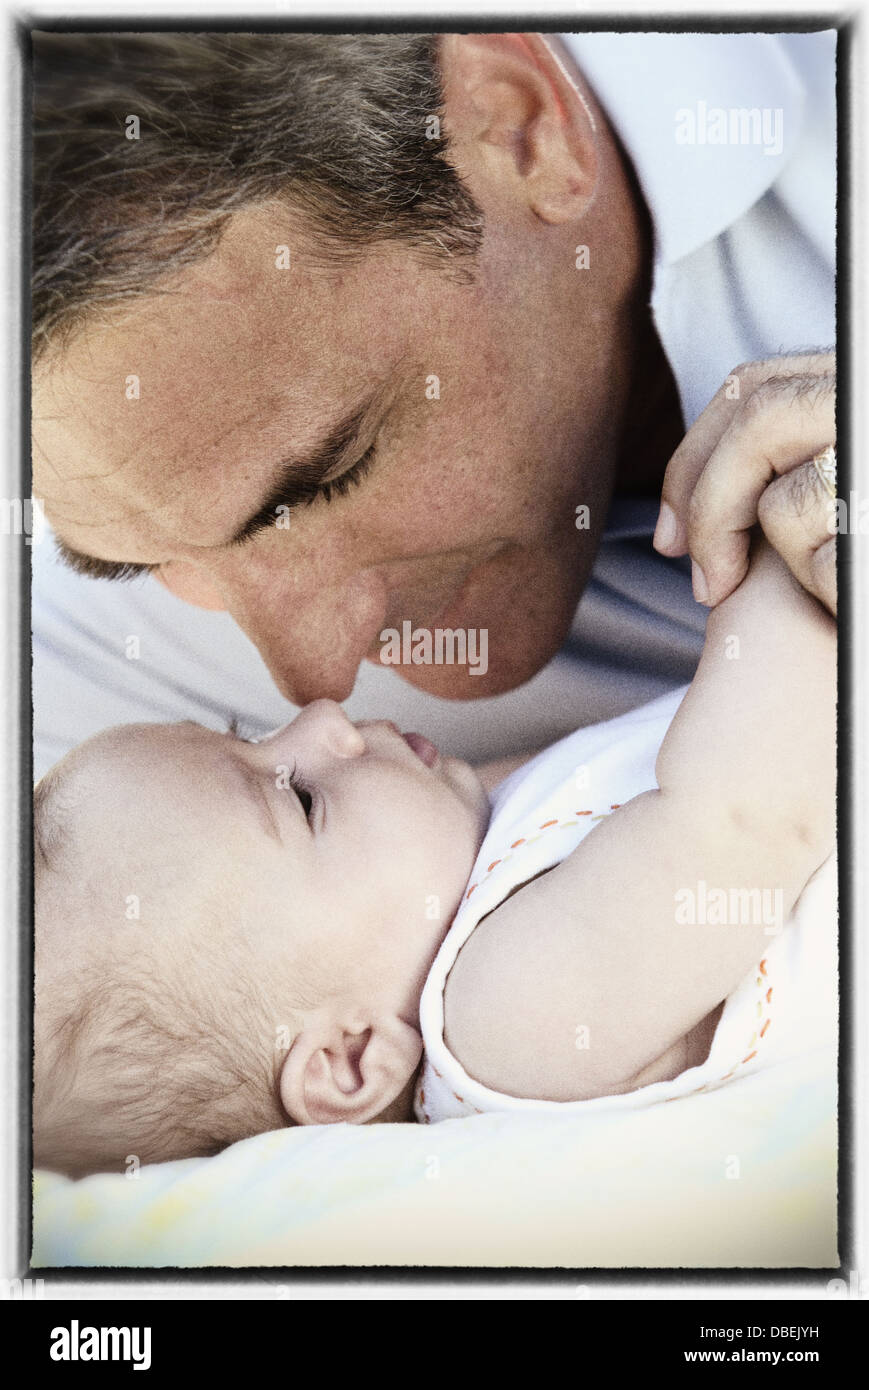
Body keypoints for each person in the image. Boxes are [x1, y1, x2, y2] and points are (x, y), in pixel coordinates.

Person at [31, 31, 837, 779]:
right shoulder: (88, 678)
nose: (315, 687)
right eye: (139, 562)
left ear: (517, 128)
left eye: (328, 476)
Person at [33, 537, 835, 1176]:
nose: (320, 720)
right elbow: (749, 817)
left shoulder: (472, 865)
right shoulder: (506, 1020)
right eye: (299, 799)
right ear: (350, 1060)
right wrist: (777, 544)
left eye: (254, 739)